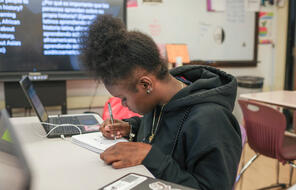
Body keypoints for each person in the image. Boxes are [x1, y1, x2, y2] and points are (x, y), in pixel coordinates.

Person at [80, 15, 242, 190]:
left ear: (145, 84)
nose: (124, 105)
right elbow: (166, 126)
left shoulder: (212, 121)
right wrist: (131, 127)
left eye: (124, 98)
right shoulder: (160, 101)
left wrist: (149, 157)